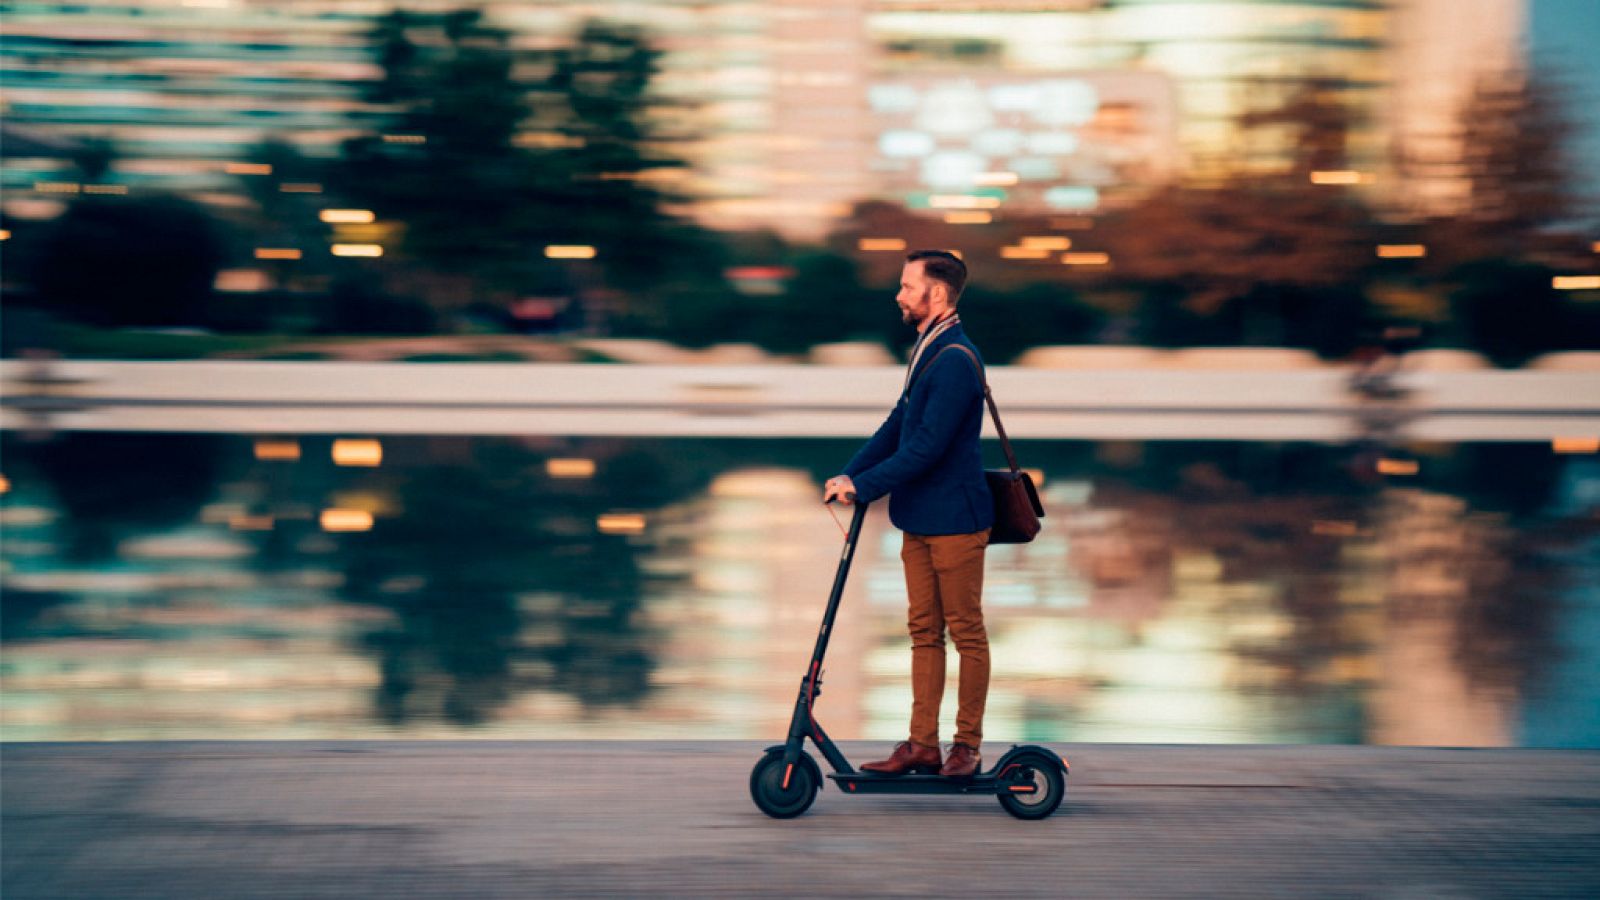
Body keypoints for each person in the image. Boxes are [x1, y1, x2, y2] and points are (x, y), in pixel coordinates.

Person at [822, 249, 993, 779]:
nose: (898, 294)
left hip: (957, 521)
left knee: (965, 632)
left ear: (935, 294)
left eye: (906, 285)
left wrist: (866, 486)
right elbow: (897, 425)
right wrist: (848, 475)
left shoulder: (957, 359)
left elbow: (926, 448)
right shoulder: (929, 348)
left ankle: (966, 746)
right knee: (923, 631)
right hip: (918, 516)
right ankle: (922, 745)